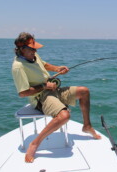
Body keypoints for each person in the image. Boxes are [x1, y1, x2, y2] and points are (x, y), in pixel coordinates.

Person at [11, 32, 101, 163]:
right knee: (64, 116)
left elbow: (44, 64)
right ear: (22, 49)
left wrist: (58, 68)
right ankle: (35, 144)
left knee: (84, 91)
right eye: (32, 48)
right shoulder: (18, 67)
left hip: (53, 89)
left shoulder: (33, 55)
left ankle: (87, 126)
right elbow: (23, 93)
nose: (35, 50)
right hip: (40, 97)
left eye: (35, 48)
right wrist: (44, 86)